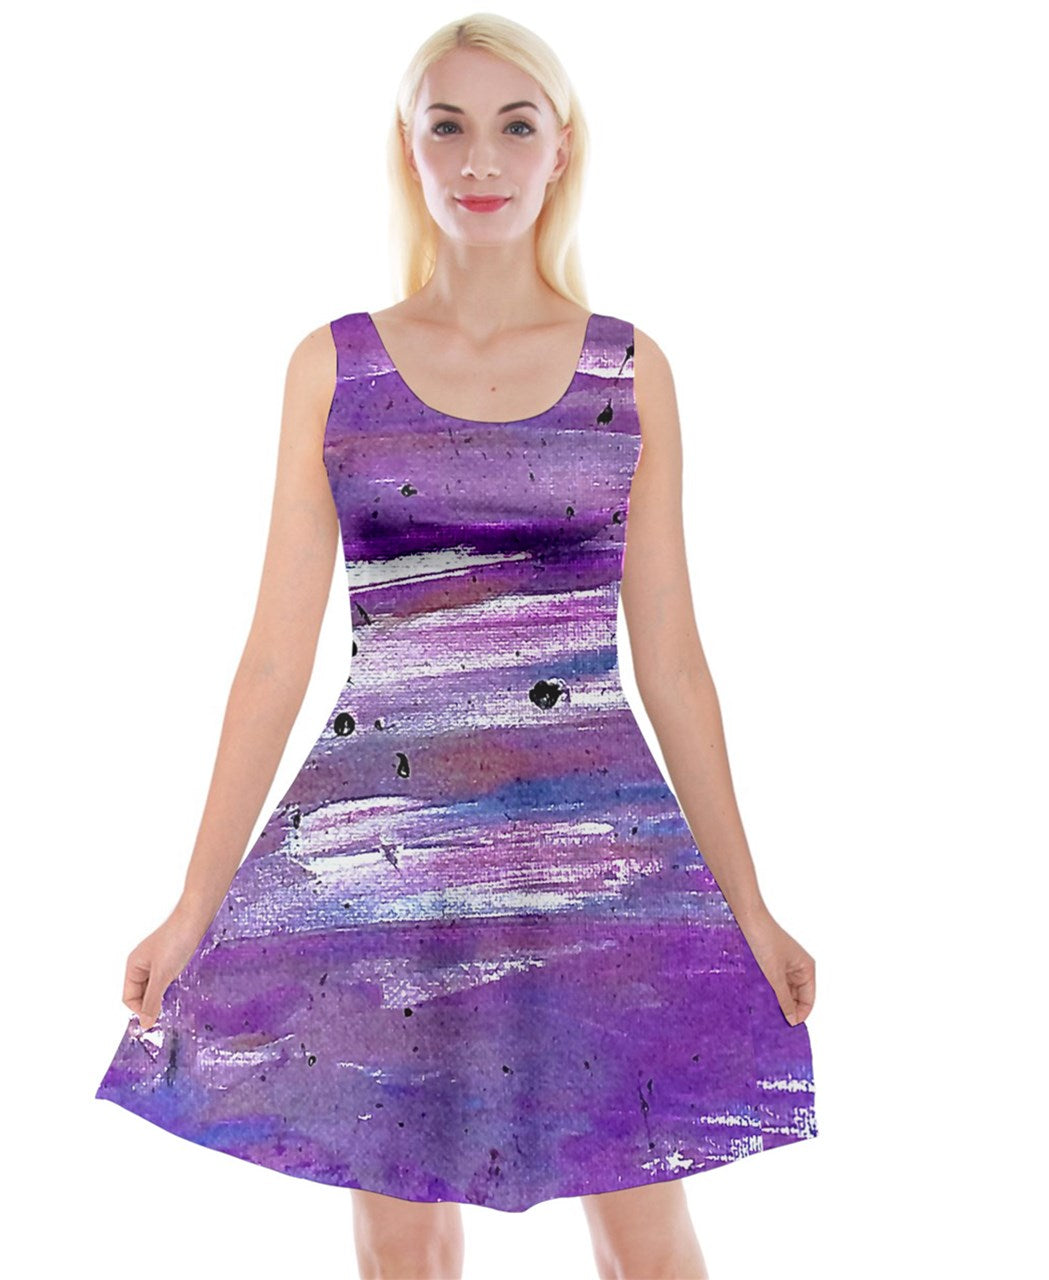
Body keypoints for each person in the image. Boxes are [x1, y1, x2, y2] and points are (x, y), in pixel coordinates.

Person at [95, 14, 817, 1280]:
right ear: (409, 148)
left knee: (645, 1236)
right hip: (384, 849)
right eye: (448, 126)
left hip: (590, 849)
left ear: (559, 149)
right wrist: (193, 900)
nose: (480, 158)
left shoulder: (627, 370)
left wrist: (745, 902)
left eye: (513, 125)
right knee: (401, 1239)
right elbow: (272, 660)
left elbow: (672, 663)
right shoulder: (333, 366)